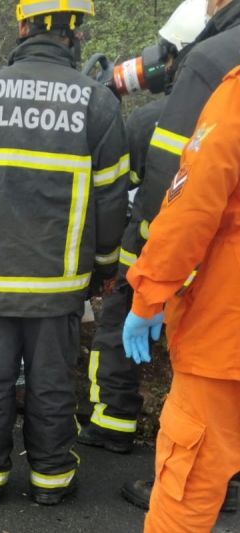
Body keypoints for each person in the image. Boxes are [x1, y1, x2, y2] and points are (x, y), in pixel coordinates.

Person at [0, 0, 128, 506]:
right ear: (76, 32)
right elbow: (110, 198)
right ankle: (52, 480)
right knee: (52, 386)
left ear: (22, 26)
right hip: (57, 286)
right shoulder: (98, 105)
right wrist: (105, 267)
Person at [77, 0, 240, 510]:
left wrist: (140, 272)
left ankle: (111, 427)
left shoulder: (205, 81)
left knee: (121, 334)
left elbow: (179, 198)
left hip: (177, 261)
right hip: (199, 262)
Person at [80, 0, 207, 454]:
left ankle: (112, 424)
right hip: (209, 264)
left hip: (151, 258)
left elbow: (114, 190)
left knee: (115, 330)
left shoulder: (152, 119)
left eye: (168, 53)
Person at [121, 64, 240, 533]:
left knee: (188, 482)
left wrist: (149, 294)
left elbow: (192, 209)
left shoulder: (235, 98)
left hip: (226, 336)